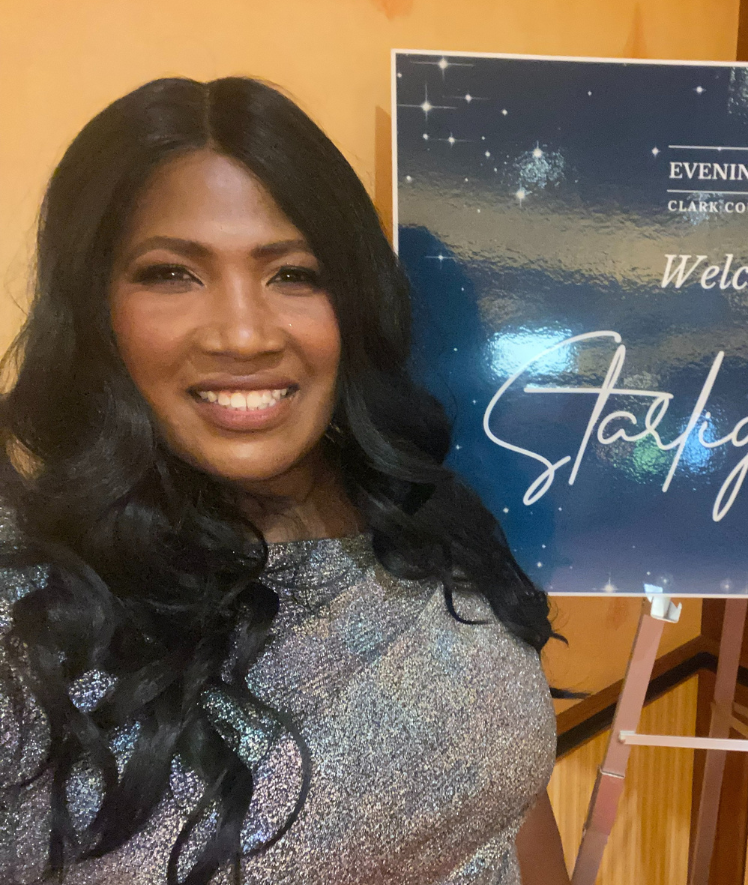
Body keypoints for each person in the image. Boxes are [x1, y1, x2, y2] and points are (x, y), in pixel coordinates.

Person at [0, 76, 571, 885]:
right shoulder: (25, 601)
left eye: (293, 274)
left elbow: (510, 806)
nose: (243, 333)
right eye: (172, 273)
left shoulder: (426, 514)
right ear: (95, 307)